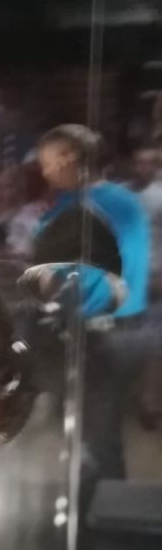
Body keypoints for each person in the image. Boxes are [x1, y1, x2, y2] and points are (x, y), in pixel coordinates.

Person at [32, 124, 151, 485]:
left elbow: (53, 278)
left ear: (70, 158)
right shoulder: (128, 201)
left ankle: (99, 512)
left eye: (49, 162)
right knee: (98, 437)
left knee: (97, 445)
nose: (45, 172)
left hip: (97, 339)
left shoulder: (71, 209)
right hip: (131, 333)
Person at [128, 145, 162, 425]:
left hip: (154, 274)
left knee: (153, 342)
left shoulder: (159, 197)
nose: (143, 168)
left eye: (150, 163)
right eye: (139, 162)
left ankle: (149, 401)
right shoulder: (123, 195)